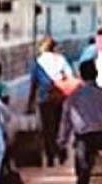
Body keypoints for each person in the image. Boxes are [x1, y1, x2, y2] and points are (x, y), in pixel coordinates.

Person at [27, 36, 75, 168]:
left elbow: (34, 84)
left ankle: (50, 157)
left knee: (47, 129)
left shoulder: (38, 62)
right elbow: (70, 77)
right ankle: (61, 151)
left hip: (44, 99)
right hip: (60, 98)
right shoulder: (61, 59)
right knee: (60, 126)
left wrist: (30, 102)